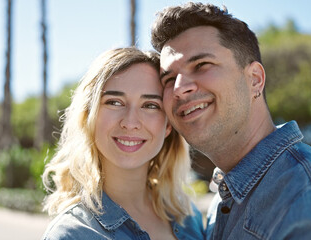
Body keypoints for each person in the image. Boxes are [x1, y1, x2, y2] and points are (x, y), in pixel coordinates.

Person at [151, 2, 311, 240]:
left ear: (255, 79)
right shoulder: (226, 199)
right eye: (169, 79)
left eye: (202, 64)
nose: (180, 88)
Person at [41, 47, 204, 240]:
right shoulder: (72, 234)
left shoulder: (188, 217)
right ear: (88, 115)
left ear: (168, 125)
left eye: (150, 105)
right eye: (115, 102)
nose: (130, 123)